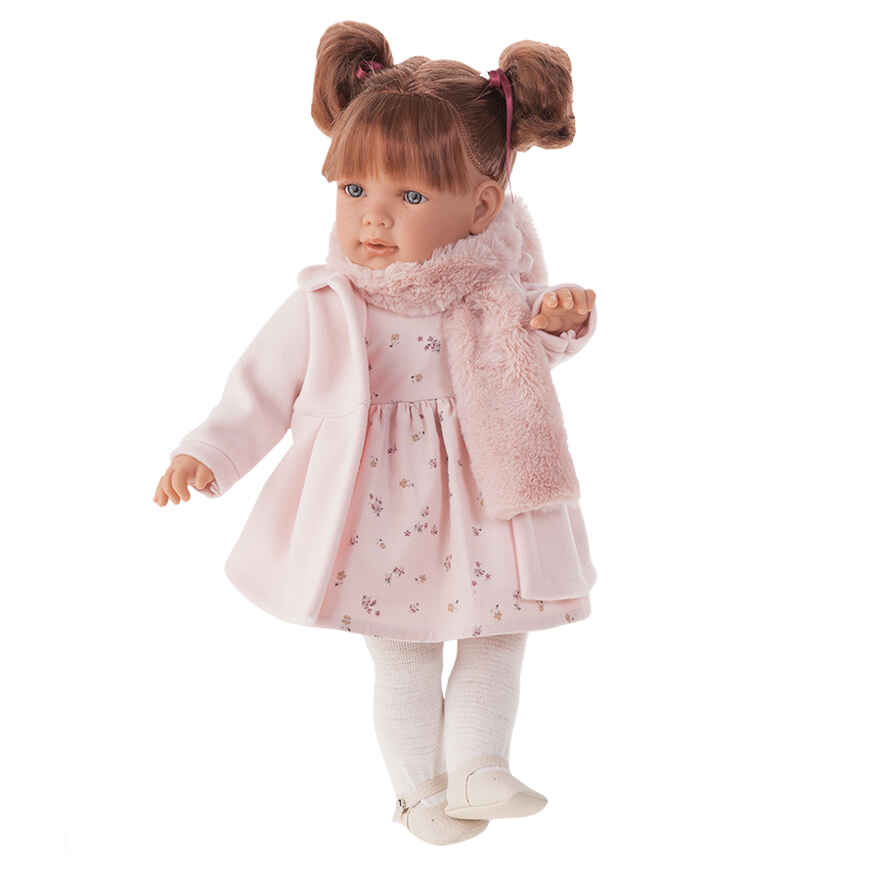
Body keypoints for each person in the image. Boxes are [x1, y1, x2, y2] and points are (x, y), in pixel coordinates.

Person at [153, 21, 599, 846]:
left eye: (412, 198)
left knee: (500, 631)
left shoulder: (493, 293)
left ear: (482, 206)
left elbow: (533, 339)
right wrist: (208, 451)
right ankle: (418, 790)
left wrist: (561, 319)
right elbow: (261, 387)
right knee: (402, 650)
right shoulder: (331, 301)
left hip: (488, 499)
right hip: (379, 510)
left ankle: (479, 763)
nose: (375, 219)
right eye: (355, 190)